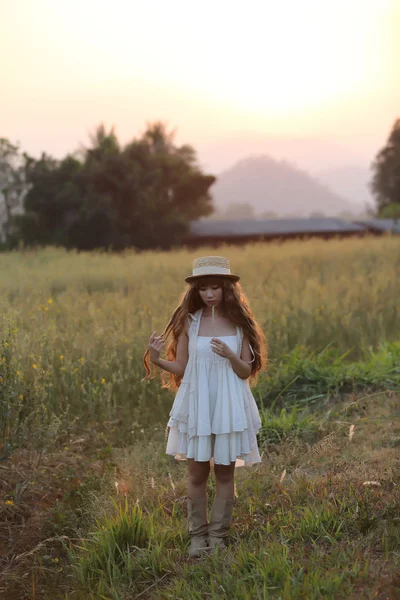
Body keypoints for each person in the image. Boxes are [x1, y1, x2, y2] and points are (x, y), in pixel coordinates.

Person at [143, 256, 267, 558]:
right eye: (203, 289)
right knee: (196, 474)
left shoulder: (240, 324)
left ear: (227, 289)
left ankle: (219, 537)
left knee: (225, 474)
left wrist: (230, 355)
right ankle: (197, 537)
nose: (209, 294)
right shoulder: (191, 322)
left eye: (215, 288)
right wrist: (156, 358)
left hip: (228, 404)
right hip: (198, 402)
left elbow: (244, 371)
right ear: (195, 292)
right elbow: (183, 366)